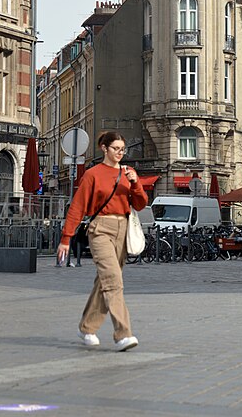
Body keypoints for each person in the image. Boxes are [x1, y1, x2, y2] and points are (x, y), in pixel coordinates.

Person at [57, 131, 148, 351]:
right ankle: (123, 334)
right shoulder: (93, 174)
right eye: (116, 148)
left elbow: (141, 204)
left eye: (122, 149)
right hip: (100, 229)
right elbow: (77, 206)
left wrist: (135, 183)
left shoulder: (128, 172)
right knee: (113, 280)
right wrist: (66, 238)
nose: (120, 153)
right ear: (104, 148)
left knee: (104, 282)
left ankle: (87, 327)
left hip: (123, 229)